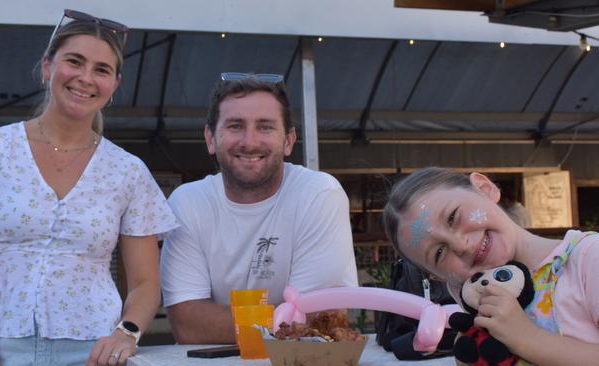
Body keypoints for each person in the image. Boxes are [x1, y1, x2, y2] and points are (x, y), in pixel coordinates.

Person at [0, 9, 178, 366]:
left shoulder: (129, 171)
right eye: (75, 61)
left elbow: (146, 283)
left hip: (90, 354)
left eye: (101, 70)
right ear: (47, 67)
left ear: (114, 85)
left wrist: (126, 331)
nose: (86, 78)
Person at [159, 72, 358, 344]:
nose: (249, 142)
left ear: (288, 141)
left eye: (265, 127)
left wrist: (226, 321)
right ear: (210, 138)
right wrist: (285, 321)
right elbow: (188, 324)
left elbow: (319, 318)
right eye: (235, 126)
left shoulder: (319, 194)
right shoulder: (187, 203)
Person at [383, 167, 599, 365]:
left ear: (485, 189)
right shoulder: (476, 304)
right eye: (439, 253)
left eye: (452, 217)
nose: (460, 245)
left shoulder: (588, 258)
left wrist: (527, 338)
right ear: (438, 276)